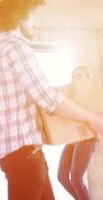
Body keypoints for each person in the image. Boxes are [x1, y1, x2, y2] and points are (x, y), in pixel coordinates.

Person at [0, 0, 103, 199]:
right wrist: (92, 118)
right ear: (22, 16)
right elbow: (48, 98)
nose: (35, 22)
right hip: (23, 153)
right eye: (33, 15)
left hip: (19, 153)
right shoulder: (16, 47)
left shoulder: (1, 47)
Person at [58, 66, 97, 200]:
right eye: (74, 76)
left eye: (80, 76)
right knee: (62, 177)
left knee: (75, 179)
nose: (75, 79)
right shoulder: (71, 98)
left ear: (88, 78)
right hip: (72, 139)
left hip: (87, 138)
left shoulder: (95, 96)